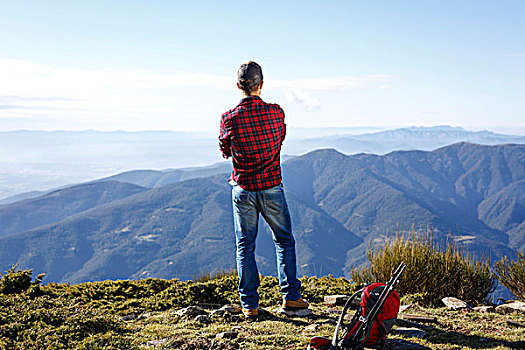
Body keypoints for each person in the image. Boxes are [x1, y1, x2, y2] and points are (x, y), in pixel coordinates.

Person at [219, 61, 309, 318]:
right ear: (261, 84)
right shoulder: (276, 113)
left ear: (239, 86)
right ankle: (291, 297)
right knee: (283, 240)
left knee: (245, 244)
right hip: (271, 187)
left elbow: (225, 150)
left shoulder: (228, 118)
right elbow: (280, 137)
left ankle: (250, 304)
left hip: (243, 188)